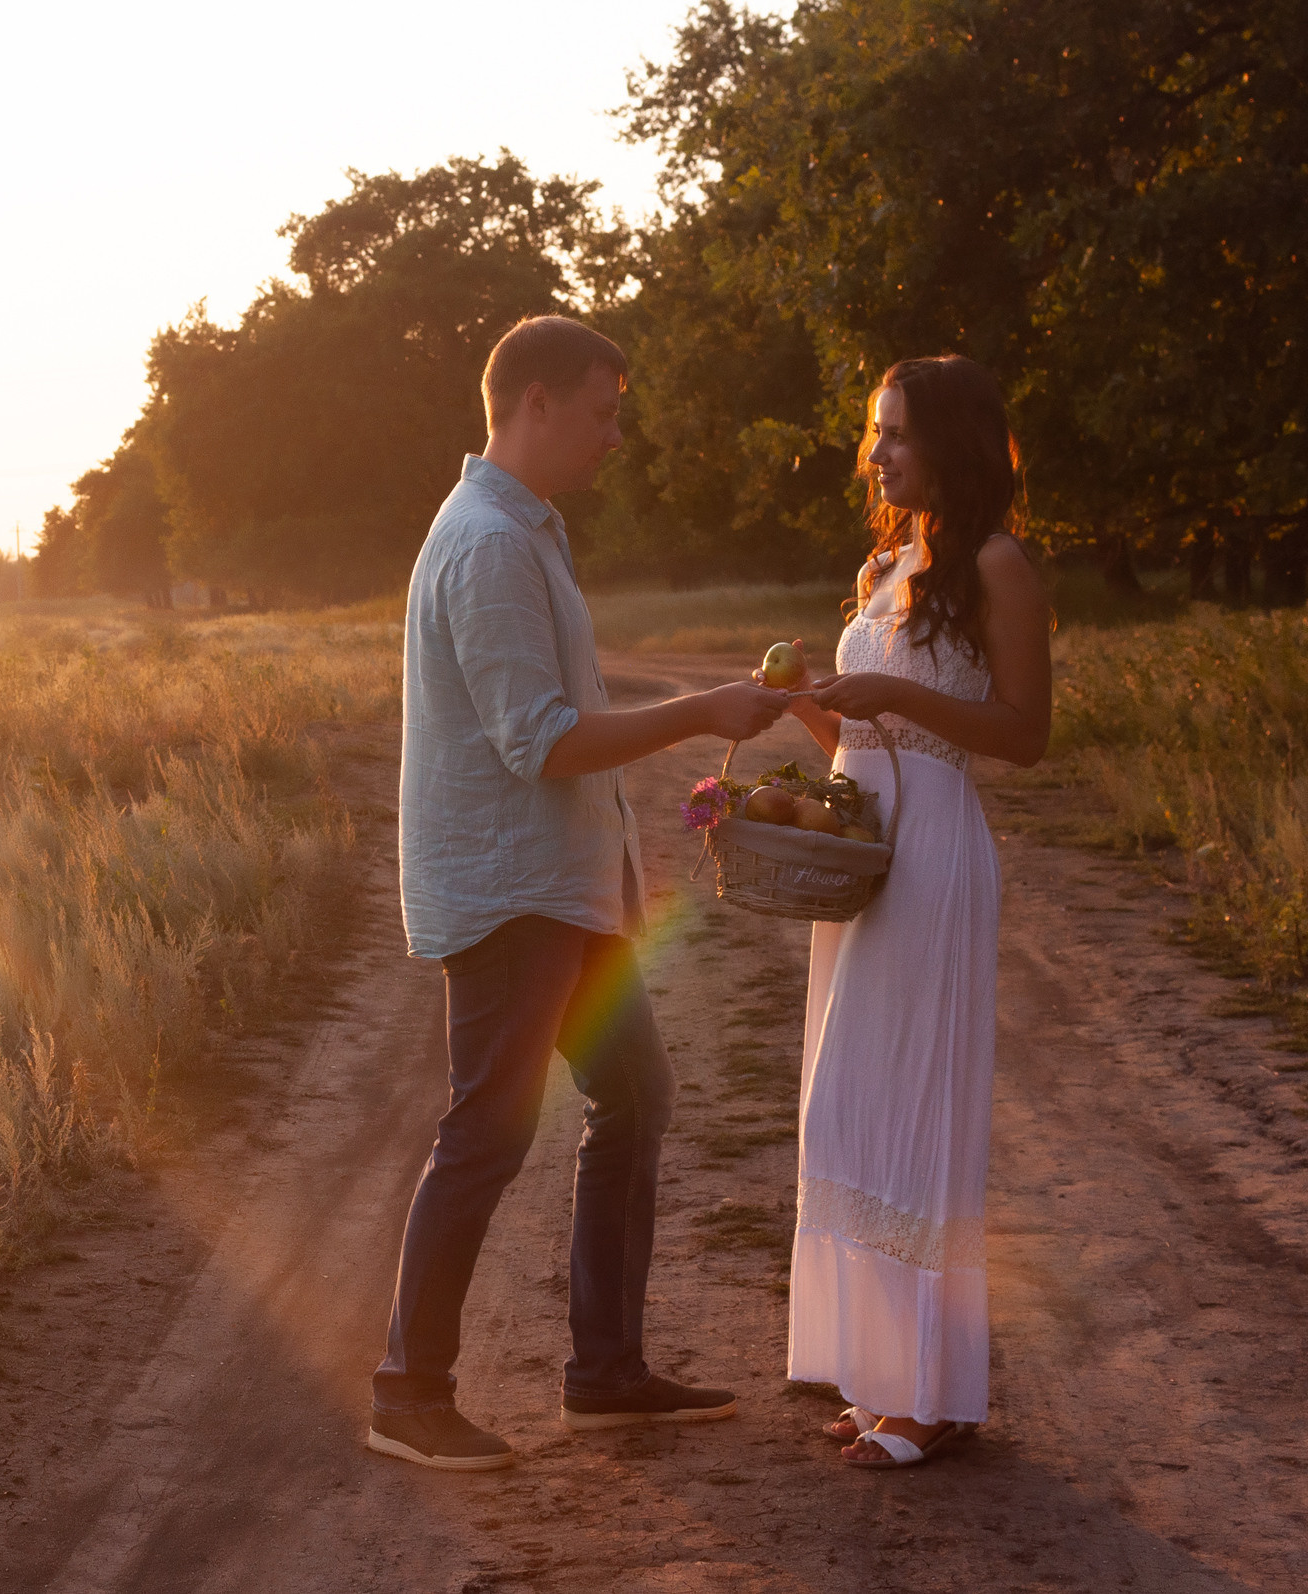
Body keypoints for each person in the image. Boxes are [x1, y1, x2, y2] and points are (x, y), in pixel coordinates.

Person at [368, 314, 790, 1471]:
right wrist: (703, 710)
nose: (616, 436)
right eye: (603, 411)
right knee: (489, 1132)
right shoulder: (490, 543)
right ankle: (408, 1392)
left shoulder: (529, 530)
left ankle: (604, 1373)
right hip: (510, 898)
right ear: (536, 403)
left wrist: (616, 867)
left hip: (566, 888)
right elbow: (539, 741)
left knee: (637, 1096)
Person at [764, 354, 1051, 1469]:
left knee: (916, 1109)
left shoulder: (996, 564)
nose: (875, 453)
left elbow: (1024, 735)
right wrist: (808, 710)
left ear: (954, 442)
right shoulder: (891, 561)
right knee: (848, 1106)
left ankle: (929, 1393)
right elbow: (864, 742)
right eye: (874, 432)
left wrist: (898, 694)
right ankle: (879, 1369)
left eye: (895, 433)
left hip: (933, 852)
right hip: (866, 847)